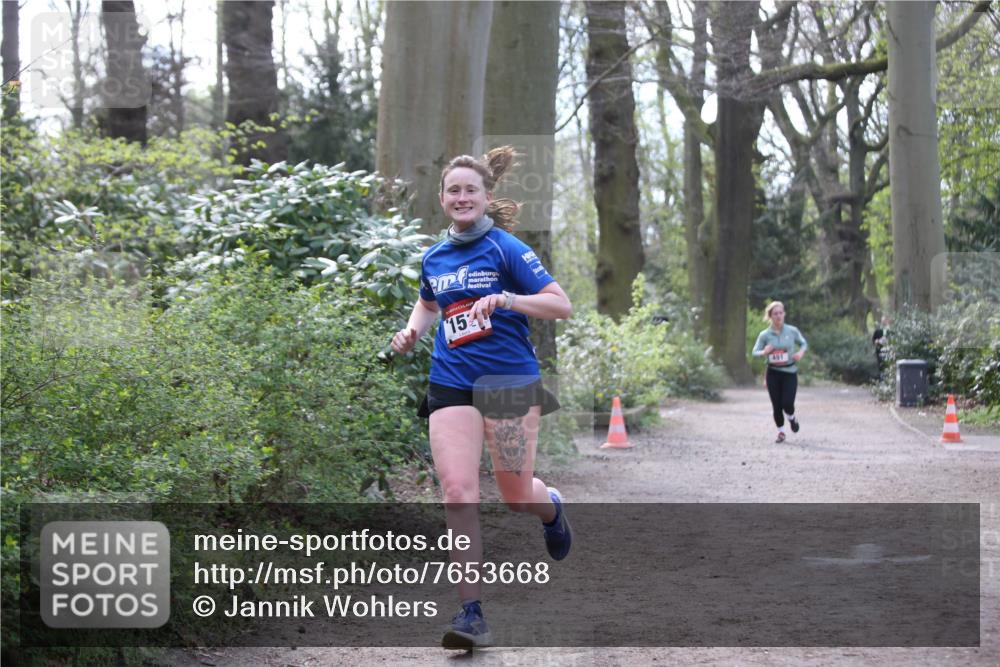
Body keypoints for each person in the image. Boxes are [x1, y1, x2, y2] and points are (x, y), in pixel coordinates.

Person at [390, 146, 573, 650]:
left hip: (508, 383)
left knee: (515, 495)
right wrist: (411, 332)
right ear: (443, 199)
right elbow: (428, 303)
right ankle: (471, 613)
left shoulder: (507, 249)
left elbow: (561, 305)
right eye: (454, 190)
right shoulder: (434, 256)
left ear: (487, 197)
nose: (462, 197)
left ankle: (550, 509)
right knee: (458, 492)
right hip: (451, 381)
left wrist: (509, 299)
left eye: (471, 189)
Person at [751, 301, 808, 443]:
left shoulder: (792, 331)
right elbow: (754, 352)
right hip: (773, 373)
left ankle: (792, 418)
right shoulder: (765, 335)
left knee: (787, 403)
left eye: (780, 313)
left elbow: (803, 343)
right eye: (775, 313)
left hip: (789, 372)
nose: (778, 316)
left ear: (784, 314)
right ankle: (781, 432)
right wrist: (764, 352)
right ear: (770, 316)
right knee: (776, 405)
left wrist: (800, 353)